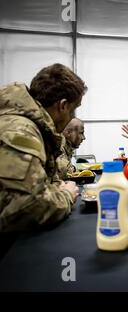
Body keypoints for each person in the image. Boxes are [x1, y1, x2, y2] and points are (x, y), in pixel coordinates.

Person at [0, 63, 87, 232]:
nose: (72, 117)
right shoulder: (21, 131)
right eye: (73, 110)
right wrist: (67, 195)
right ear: (62, 106)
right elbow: (28, 207)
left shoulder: (25, 124)